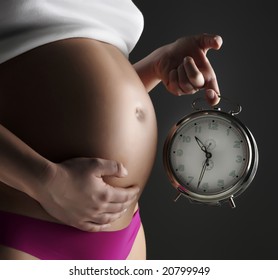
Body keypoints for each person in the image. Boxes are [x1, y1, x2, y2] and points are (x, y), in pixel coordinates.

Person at [0, 0, 222, 260]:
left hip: (125, 231)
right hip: (24, 225)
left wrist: (155, 66)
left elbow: (66, 97)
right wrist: (45, 181)